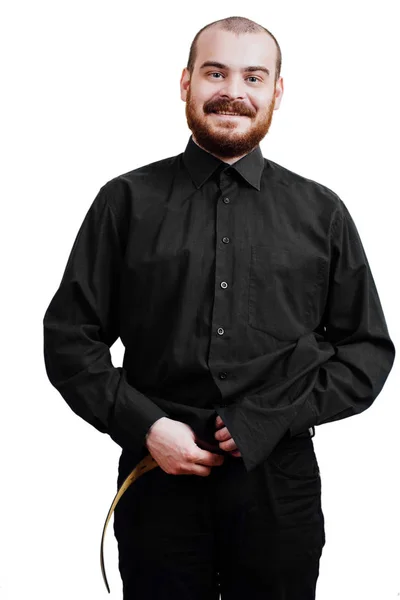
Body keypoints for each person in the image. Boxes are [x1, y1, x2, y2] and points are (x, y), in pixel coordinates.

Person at [43, 15, 395, 600]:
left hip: (280, 490)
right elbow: (69, 340)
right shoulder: (124, 202)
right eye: (215, 72)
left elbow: (366, 350)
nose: (233, 91)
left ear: (277, 92)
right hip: (155, 482)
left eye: (253, 76)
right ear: (185, 83)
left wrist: (269, 418)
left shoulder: (321, 212)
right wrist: (147, 426)